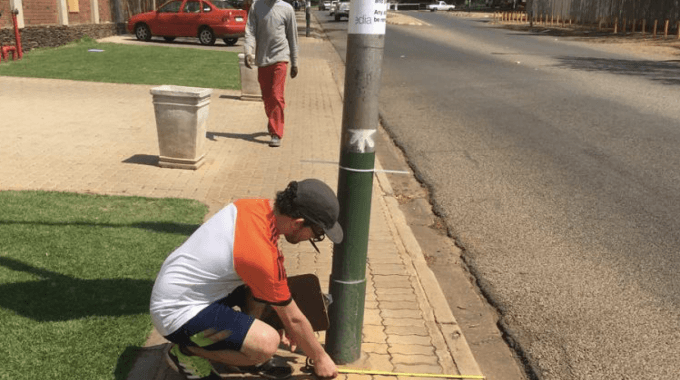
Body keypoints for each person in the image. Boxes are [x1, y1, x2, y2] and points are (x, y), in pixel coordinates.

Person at [151, 179, 341, 380]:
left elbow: (273, 289)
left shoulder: (255, 208)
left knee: (269, 294)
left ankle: (244, 348)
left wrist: (288, 323)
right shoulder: (259, 253)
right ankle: (186, 352)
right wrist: (320, 358)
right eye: (318, 232)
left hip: (191, 292)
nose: (315, 237)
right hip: (176, 314)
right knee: (267, 344)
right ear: (298, 223)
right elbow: (293, 317)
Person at [244, 0, 299, 148]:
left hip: (281, 58)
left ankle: (276, 133)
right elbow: (250, 30)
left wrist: (295, 62)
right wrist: (248, 51)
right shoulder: (257, 6)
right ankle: (273, 121)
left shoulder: (287, 9)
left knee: (276, 95)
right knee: (267, 97)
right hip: (263, 59)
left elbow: (292, 37)